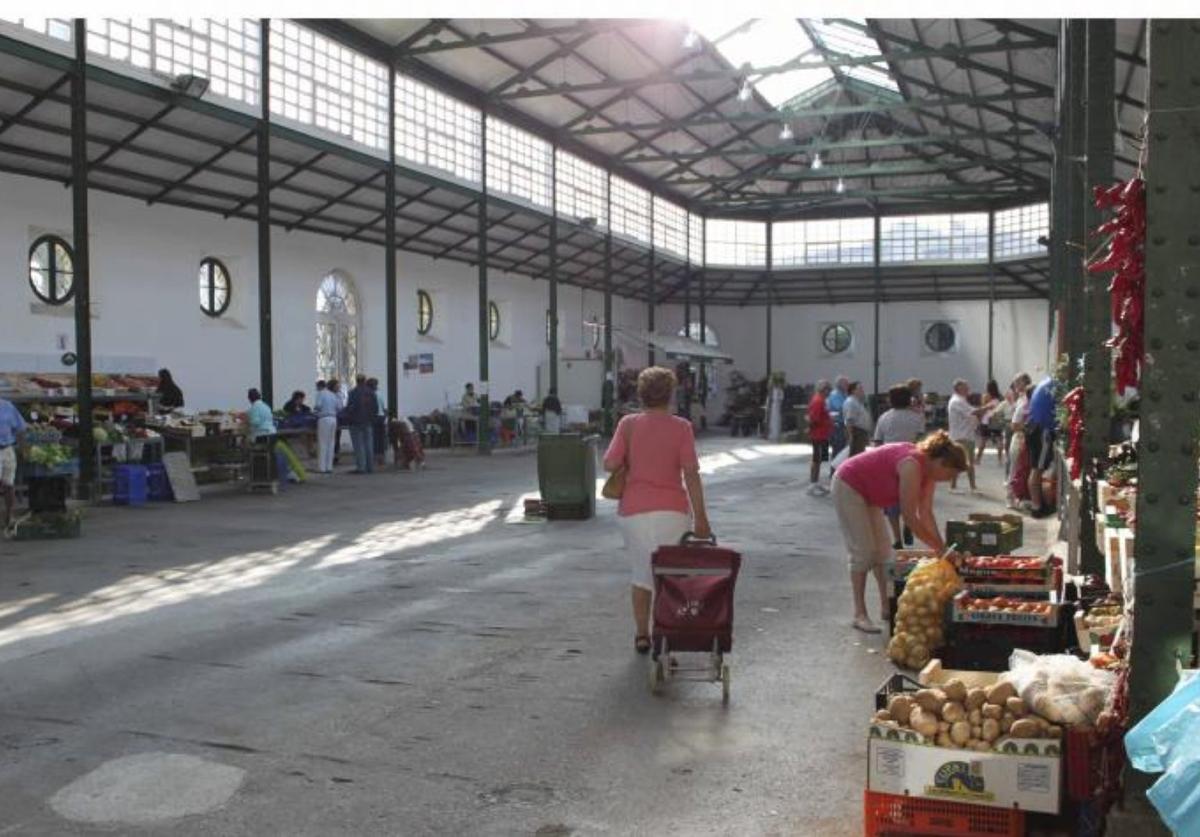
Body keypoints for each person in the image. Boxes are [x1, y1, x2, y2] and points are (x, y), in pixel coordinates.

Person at [603, 367, 712, 655]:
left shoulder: (627, 424)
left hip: (634, 513)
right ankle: (666, 629)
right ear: (671, 394)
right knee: (670, 575)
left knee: (641, 574)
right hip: (672, 514)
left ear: (640, 394)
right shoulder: (681, 427)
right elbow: (691, 474)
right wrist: (701, 518)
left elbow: (610, 464)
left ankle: (642, 635)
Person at [832, 430, 969, 633]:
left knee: (883, 553)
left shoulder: (929, 472)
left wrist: (943, 549)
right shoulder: (912, 465)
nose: (949, 480)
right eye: (950, 474)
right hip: (849, 485)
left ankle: (886, 607)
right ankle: (859, 614)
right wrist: (940, 549)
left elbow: (925, 513)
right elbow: (910, 517)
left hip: (870, 494)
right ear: (941, 461)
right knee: (864, 552)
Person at [873, 385, 927, 548]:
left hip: (888, 463)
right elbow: (922, 441)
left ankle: (897, 539)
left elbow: (877, 442)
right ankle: (908, 525)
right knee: (910, 497)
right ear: (908, 399)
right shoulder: (917, 417)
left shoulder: (884, 417)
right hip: (911, 462)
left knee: (891, 503)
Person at [947, 379, 989, 492]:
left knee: (962, 462)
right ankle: (970, 487)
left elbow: (973, 413)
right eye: (965, 387)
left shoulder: (960, 400)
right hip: (962, 435)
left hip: (963, 434)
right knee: (967, 462)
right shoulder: (957, 401)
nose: (967, 388)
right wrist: (988, 407)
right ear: (958, 388)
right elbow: (973, 412)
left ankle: (956, 486)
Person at [1026, 376, 1058, 518]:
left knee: (1035, 469)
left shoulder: (1045, 383)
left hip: (1034, 427)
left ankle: (1037, 504)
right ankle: (1037, 506)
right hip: (1042, 429)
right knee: (1037, 470)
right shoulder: (1055, 385)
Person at [1, 396, 28, 531]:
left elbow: (20, 428)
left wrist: (23, 450)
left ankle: (9, 516)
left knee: (9, 484)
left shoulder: (7, 406)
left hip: (7, 449)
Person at [806, 380, 834, 493]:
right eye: (828, 390)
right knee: (816, 460)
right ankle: (812, 484)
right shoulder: (818, 401)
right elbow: (814, 419)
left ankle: (816, 483)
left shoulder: (821, 400)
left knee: (819, 459)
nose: (829, 393)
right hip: (818, 435)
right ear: (824, 390)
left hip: (822, 434)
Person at [345, 375, 376, 474]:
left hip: (356, 421)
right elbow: (375, 407)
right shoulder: (371, 392)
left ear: (356, 381)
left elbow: (350, 407)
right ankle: (370, 467)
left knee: (358, 445)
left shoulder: (353, 393)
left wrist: (348, 416)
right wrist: (372, 418)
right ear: (365, 381)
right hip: (368, 421)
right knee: (369, 444)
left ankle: (361, 467)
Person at [975, 380, 1005, 465]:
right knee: (999, 439)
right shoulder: (1000, 397)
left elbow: (983, 409)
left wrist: (979, 420)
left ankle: (978, 459)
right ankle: (1000, 460)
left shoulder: (985, 396)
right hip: (996, 420)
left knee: (983, 440)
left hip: (985, 421)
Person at [313, 380, 339, 474]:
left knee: (323, 443)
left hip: (324, 418)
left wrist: (315, 410)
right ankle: (329, 467)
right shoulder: (333, 395)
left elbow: (318, 406)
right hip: (333, 418)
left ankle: (322, 467)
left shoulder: (321, 393)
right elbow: (339, 407)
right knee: (331, 443)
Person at [842, 381, 873, 457]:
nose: (862, 390)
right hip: (856, 432)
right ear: (853, 390)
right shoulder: (851, 402)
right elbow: (849, 420)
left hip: (860, 432)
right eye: (860, 388)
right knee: (856, 456)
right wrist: (851, 436)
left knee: (859, 455)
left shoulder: (857, 402)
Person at [827, 376, 850, 458]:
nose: (848, 385)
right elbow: (841, 408)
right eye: (846, 384)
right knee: (838, 450)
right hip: (837, 426)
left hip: (841, 425)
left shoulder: (843, 395)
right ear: (840, 385)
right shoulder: (835, 395)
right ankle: (835, 470)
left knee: (842, 449)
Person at [368, 378, 387, 467]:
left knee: (374, 439)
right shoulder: (380, 393)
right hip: (381, 417)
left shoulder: (369, 394)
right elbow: (384, 408)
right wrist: (385, 418)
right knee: (381, 439)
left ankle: (375, 458)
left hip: (374, 418)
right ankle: (381, 459)